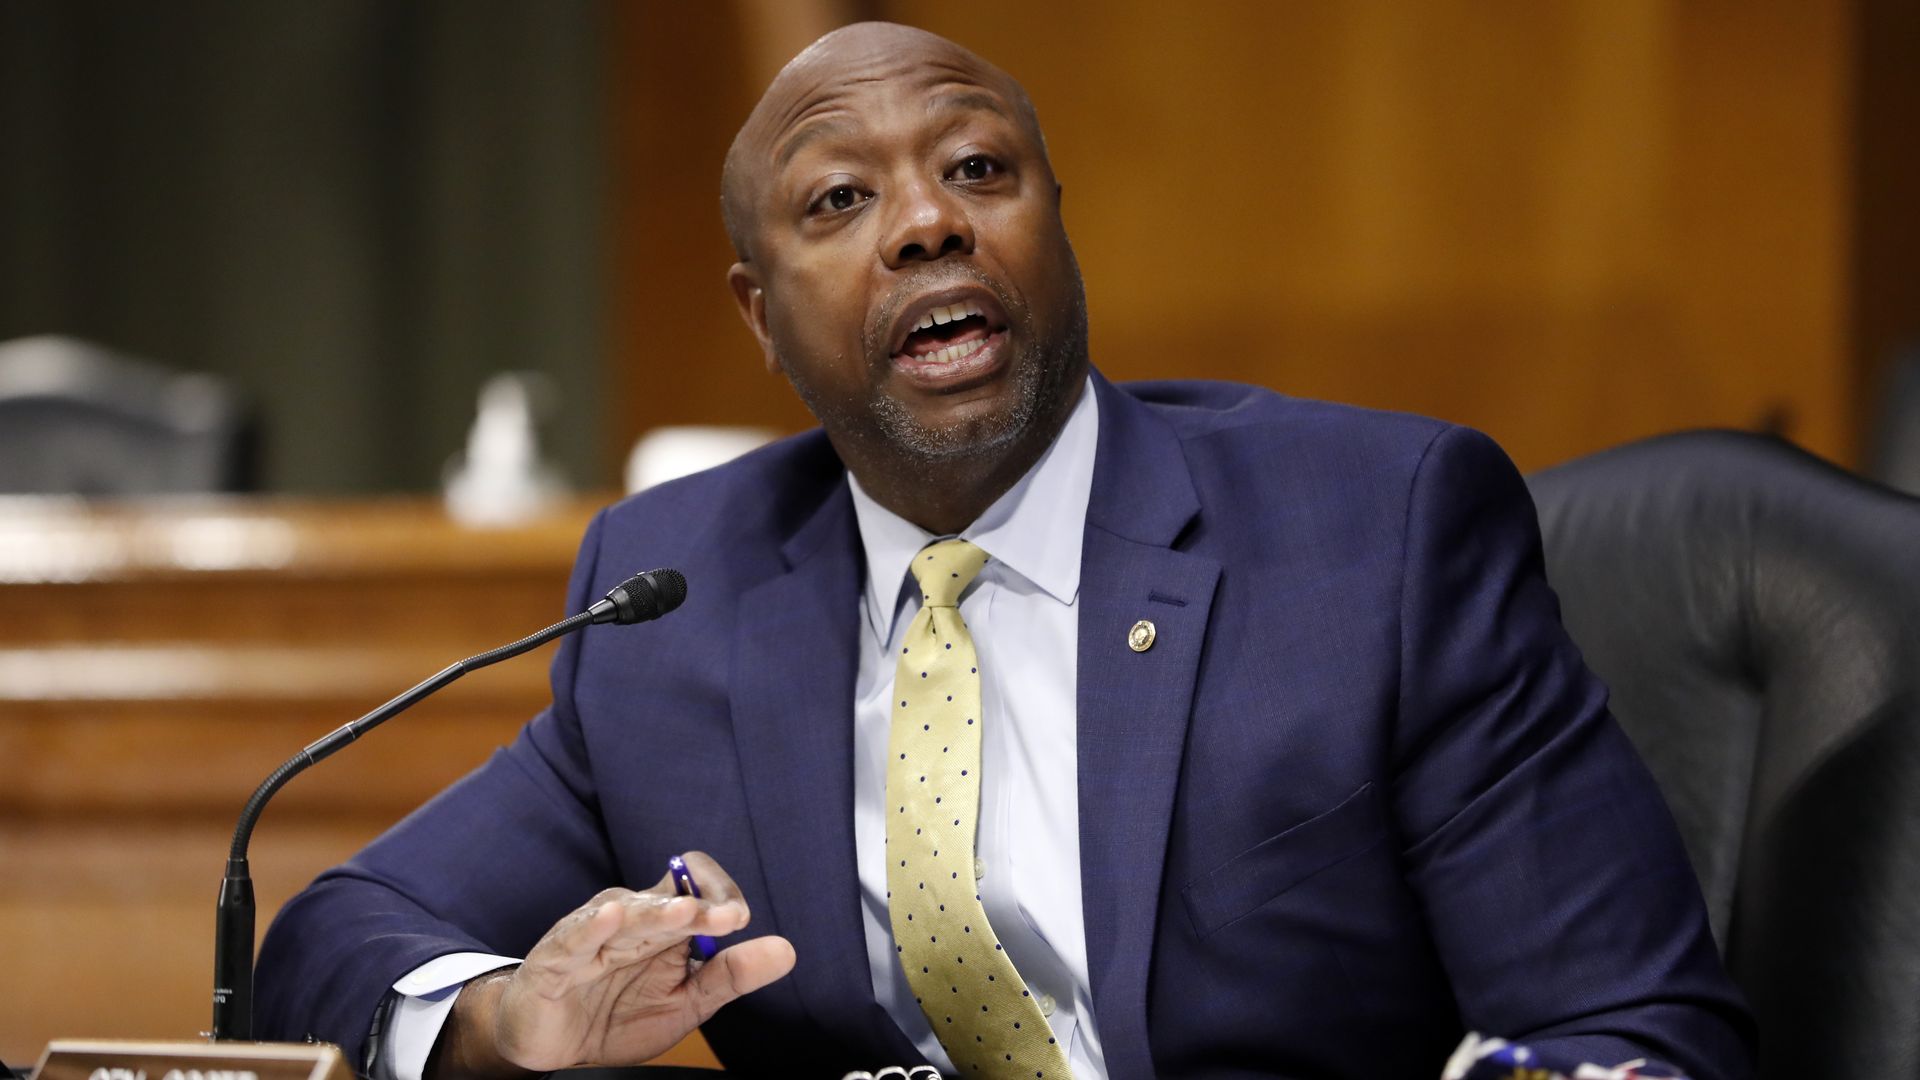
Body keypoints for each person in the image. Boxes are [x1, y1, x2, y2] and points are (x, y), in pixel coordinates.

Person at [257, 22, 1755, 1080]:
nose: (925, 223)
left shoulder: (1374, 531)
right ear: (758, 316)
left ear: (1057, 225)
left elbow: (1630, 1033)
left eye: (980, 171)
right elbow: (334, 937)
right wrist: (503, 1020)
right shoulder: (679, 595)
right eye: (839, 201)